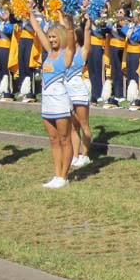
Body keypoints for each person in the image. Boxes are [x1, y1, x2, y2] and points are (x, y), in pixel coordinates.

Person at [28, 11, 74, 189]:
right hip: (47, 101)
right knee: (53, 140)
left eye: (54, 36)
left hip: (60, 101)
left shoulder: (66, 54)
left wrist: (68, 21)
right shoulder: (48, 52)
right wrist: (30, 15)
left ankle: (64, 176)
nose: (52, 39)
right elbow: (38, 32)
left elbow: (70, 38)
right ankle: (56, 174)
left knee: (65, 139)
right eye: (50, 37)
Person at [64, 14, 93, 169]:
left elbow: (87, 35)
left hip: (79, 91)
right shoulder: (65, 51)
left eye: (73, 34)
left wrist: (87, 25)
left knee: (83, 124)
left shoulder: (82, 51)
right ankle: (75, 155)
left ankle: (85, 154)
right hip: (67, 92)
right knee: (72, 126)